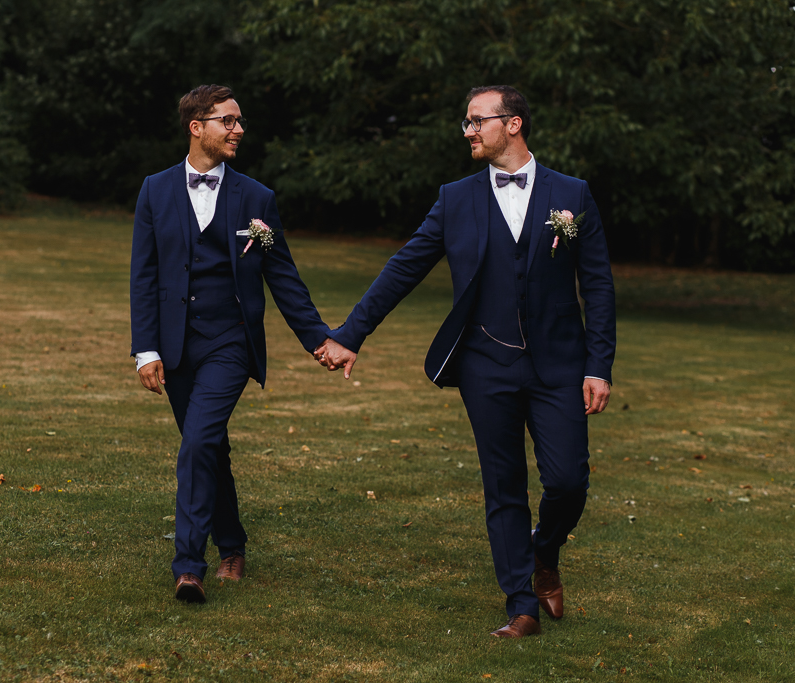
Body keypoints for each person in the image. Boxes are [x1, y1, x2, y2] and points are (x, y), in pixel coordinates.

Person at [315, 85, 616, 638]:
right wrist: (351, 334)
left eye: (478, 121)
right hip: (485, 364)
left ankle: (543, 553)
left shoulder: (572, 193)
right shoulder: (455, 199)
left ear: (515, 124)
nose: (469, 131)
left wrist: (598, 366)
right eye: (467, 123)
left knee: (569, 481)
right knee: (503, 483)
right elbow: (404, 268)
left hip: (559, 367)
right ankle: (520, 604)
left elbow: (597, 286)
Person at [130, 84, 331, 604]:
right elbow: (144, 276)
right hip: (175, 347)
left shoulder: (256, 198)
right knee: (209, 449)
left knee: (197, 442)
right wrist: (145, 350)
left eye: (239, 120)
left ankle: (188, 566)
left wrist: (319, 340)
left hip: (230, 342)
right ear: (197, 126)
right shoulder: (154, 189)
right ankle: (234, 544)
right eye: (228, 120)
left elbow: (282, 276)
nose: (239, 129)